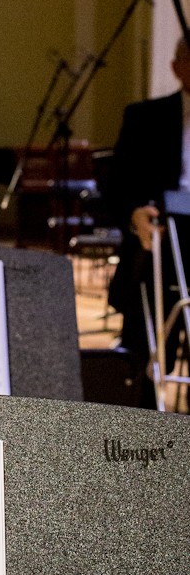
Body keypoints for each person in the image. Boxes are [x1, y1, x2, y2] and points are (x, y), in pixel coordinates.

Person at [108, 35, 190, 404]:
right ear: (176, 67)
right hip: (159, 244)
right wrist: (134, 214)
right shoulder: (144, 117)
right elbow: (115, 187)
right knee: (144, 369)